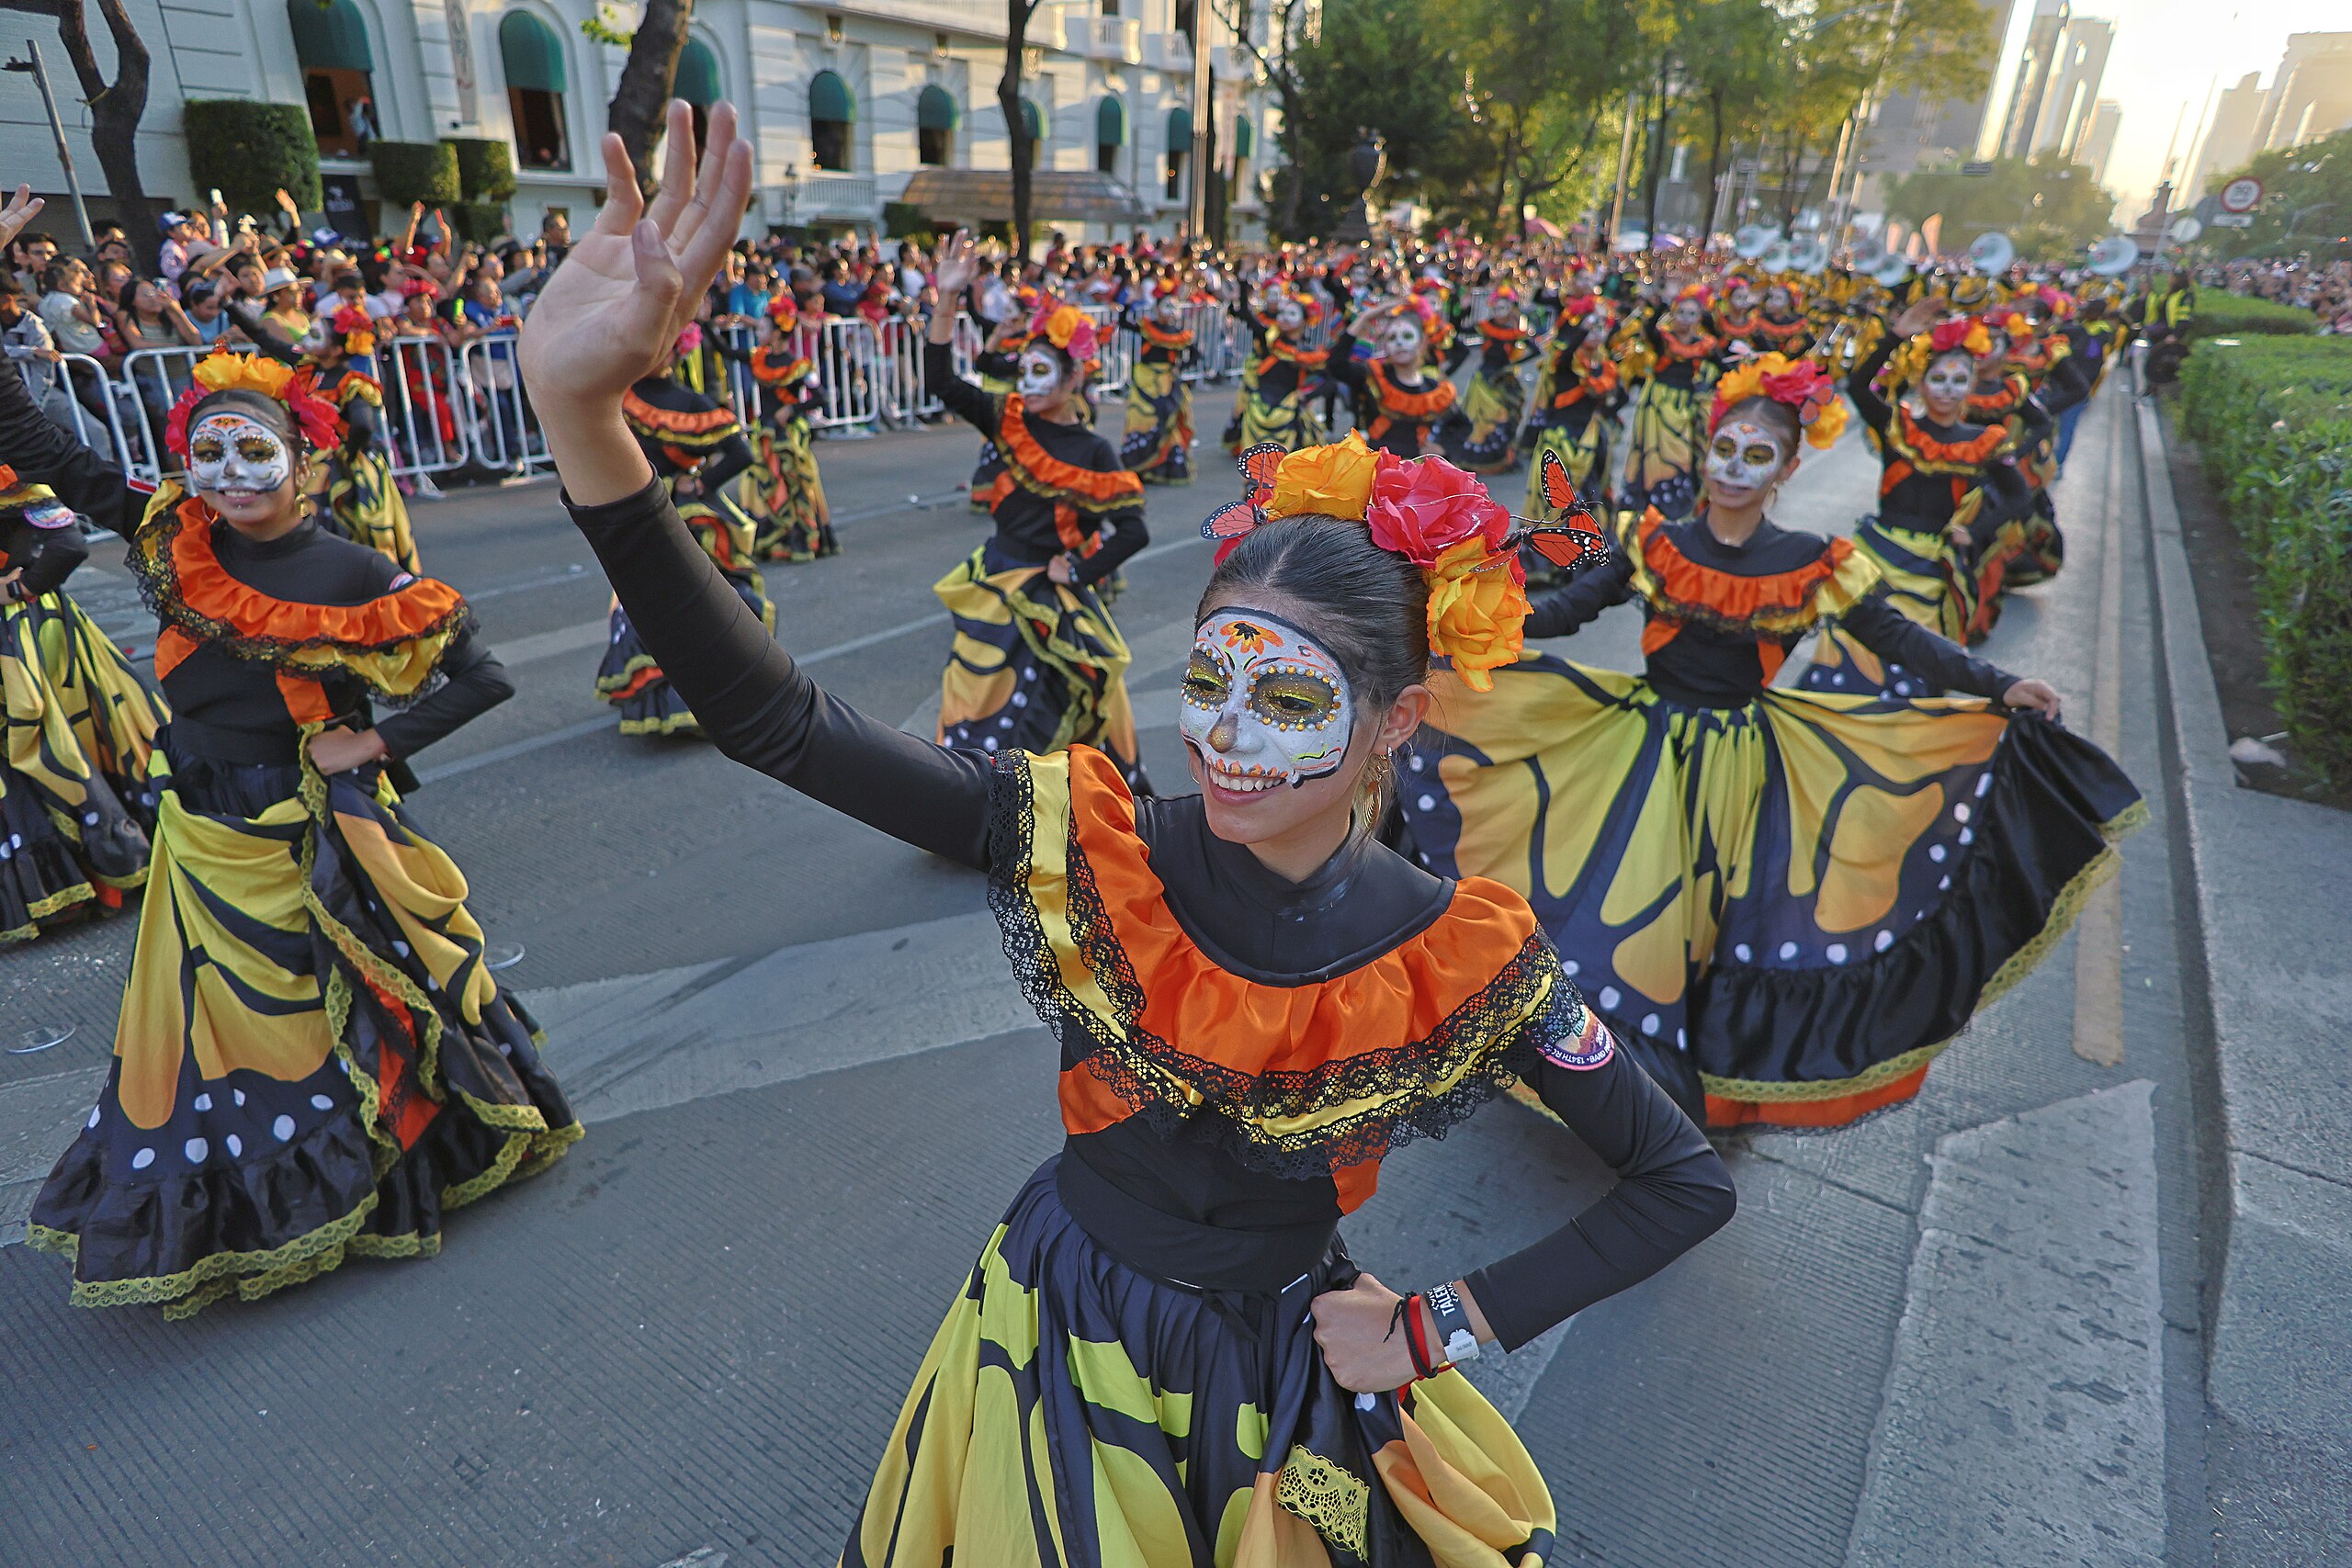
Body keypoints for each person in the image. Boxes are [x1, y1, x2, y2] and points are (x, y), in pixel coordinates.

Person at [518, 104, 1736, 1563]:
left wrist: (1434, 1325)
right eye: (1207, 675)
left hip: (1279, 1374)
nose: (1221, 729)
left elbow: (1682, 1178)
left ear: (1397, 719)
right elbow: (774, 719)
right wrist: (585, 424)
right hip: (1048, 1322)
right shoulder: (1090, 843)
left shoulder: (1458, 953)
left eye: (1285, 694)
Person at [0, 181, 575, 1317]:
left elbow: (485, 673)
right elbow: (33, 439)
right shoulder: (172, 535)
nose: (225, 471)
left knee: (350, 1014)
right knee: (206, 1030)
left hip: (308, 828)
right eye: (206, 450)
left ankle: (380, 1171)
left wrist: (371, 740)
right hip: (197, 831)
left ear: (299, 462)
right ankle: (243, 1196)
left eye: (250, 449)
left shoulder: (352, 571)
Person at [1398, 353, 2144, 1130]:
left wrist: (1996, 685)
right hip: (1638, 747)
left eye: (1756, 456)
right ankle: (1589, 1063)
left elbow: (1899, 639)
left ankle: (1658, 1088)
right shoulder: (1657, 541)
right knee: (1613, 904)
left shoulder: (1810, 563)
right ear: (1706, 447)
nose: (1733, 468)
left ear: (1786, 468)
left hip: (1739, 767)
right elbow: (1565, 610)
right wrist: (1463, 623)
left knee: (1701, 919)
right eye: (1725, 448)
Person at [920, 233, 1152, 788]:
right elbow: (940, 381)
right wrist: (947, 300)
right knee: (973, 694)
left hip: (1050, 594)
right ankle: (971, 807)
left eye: (1042, 370)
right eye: (1025, 369)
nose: (1028, 381)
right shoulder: (1009, 417)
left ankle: (1057, 815)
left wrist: (1077, 571)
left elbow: (1134, 530)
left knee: (1070, 699)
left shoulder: (1094, 452)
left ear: (1076, 377)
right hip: (995, 578)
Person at [1797, 299, 2036, 697]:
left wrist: (1973, 531)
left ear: (1972, 386)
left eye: (1959, 380)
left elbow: (2020, 496)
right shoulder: (1898, 426)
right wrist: (1895, 336)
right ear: (1922, 382)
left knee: (1916, 660)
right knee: (1852, 654)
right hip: (1876, 556)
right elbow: (1859, 385)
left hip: (1930, 567)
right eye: (1938, 379)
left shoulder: (1983, 442)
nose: (1947, 390)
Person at [0, 467, 164, 943]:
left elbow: (68, 544)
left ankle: (109, 860)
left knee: (53, 742)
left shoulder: (13, 479)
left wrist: (16, 590)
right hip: (28, 636)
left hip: (30, 640)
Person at [594, 322, 765, 736]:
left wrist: (701, 482)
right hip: (635, 515)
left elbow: (740, 452)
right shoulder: (621, 394)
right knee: (644, 606)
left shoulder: (690, 402)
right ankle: (656, 703)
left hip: (683, 518)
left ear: (676, 351)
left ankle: (703, 700)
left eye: (663, 347)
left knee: (692, 607)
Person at [722, 290, 835, 561]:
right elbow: (724, 350)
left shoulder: (798, 365)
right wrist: (704, 324)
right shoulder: (758, 358)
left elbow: (821, 396)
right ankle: (776, 539)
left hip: (790, 436)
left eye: (763, 326)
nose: (759, 330)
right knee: (767, 484)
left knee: (796, 484)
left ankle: (801, 538)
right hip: (766, 433)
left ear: (776, 333)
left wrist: (793, 408)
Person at [1619, 282, 1724, 518]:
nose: (1685, 319)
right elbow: (1649, 329)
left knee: (1681, 453)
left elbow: (1724, 368)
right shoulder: (1664, 340)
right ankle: (1646, 501)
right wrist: (1662, 304)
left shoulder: (1704, 344)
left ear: (1699, 317)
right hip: (1657, 403)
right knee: (1652, 451)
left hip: (1684, 405)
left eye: (1692, 314)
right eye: (1681, 313)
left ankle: (1675, 504)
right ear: (1673, 314)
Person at [1326, 295, 1459, 458]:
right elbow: (1335, 364)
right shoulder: (1372, 377)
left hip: (1416, 473)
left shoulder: (1434, 389)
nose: (1400, 343)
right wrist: (1365, 317)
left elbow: (1461, 425)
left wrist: (1443, 448)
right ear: (1385, 346)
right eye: (1392, 338)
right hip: (1378, 469)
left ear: (1422, 342)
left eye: (1407, 336)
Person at [1441, 286, 1539, 473]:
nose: (1499, 312)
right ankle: (1476, 456)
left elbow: (1536, 350)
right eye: (1496, 308)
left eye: (1503, 308)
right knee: (1478, 417)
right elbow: (1460, 328)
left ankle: (1498, 455)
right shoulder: (1486, 326)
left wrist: (1513, 363)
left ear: (1511, 308)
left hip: (1503, 379)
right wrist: (1464, 308)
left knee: (1502, 416)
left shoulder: (1515, 331)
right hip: (1484, 377)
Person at [1120, 277, 1196, 482]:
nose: (1171, 310)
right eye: (1167, 306)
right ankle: (1140, 465)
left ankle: (1164, 466)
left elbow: (1196, 354)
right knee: (1142, 420)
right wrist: (1128, 303)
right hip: (1145, 380)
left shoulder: (1179, 334)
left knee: (1169, 422)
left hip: (1167, 382)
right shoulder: (1147, 327)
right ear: (1158, 308)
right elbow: (1123, 323)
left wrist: (1179, 370)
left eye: (1174, 306)